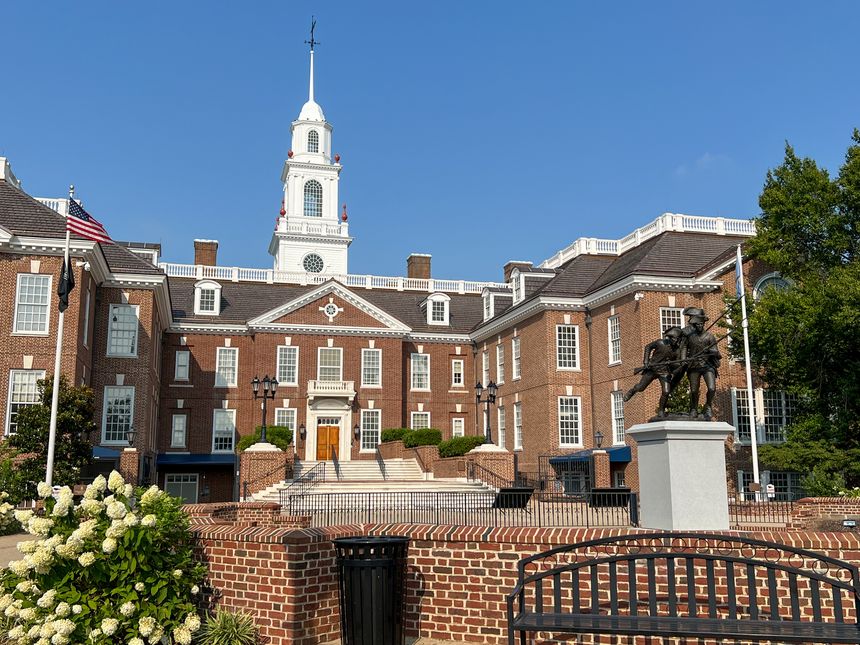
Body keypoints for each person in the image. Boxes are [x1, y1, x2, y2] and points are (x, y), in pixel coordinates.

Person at [623, 326, 683, 417]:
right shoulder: (660, 343)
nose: (677, 341)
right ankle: (632, 391)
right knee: (640, 388)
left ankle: (661, 410)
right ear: (671, 338)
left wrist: (671, 363)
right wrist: (646, 361)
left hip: (664, 372)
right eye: (675, 339)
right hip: (652, 369)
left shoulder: (677, 350)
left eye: (678, 339)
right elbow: (648, 347)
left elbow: (677, 364)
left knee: (666, 391)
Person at [679, 307, 721, 420]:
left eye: (701, 324)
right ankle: (693, 408)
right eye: (697, 324)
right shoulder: (690, 336)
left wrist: (710, 350)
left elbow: (716, 352)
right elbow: (684, 347)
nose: (699, 326)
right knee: (694, 390)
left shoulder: (710, 337)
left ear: (703, 324)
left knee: (712, 388)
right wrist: (683, 360)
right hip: (693, 366)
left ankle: (708, 406)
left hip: (707, 366)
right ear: (694, 325)